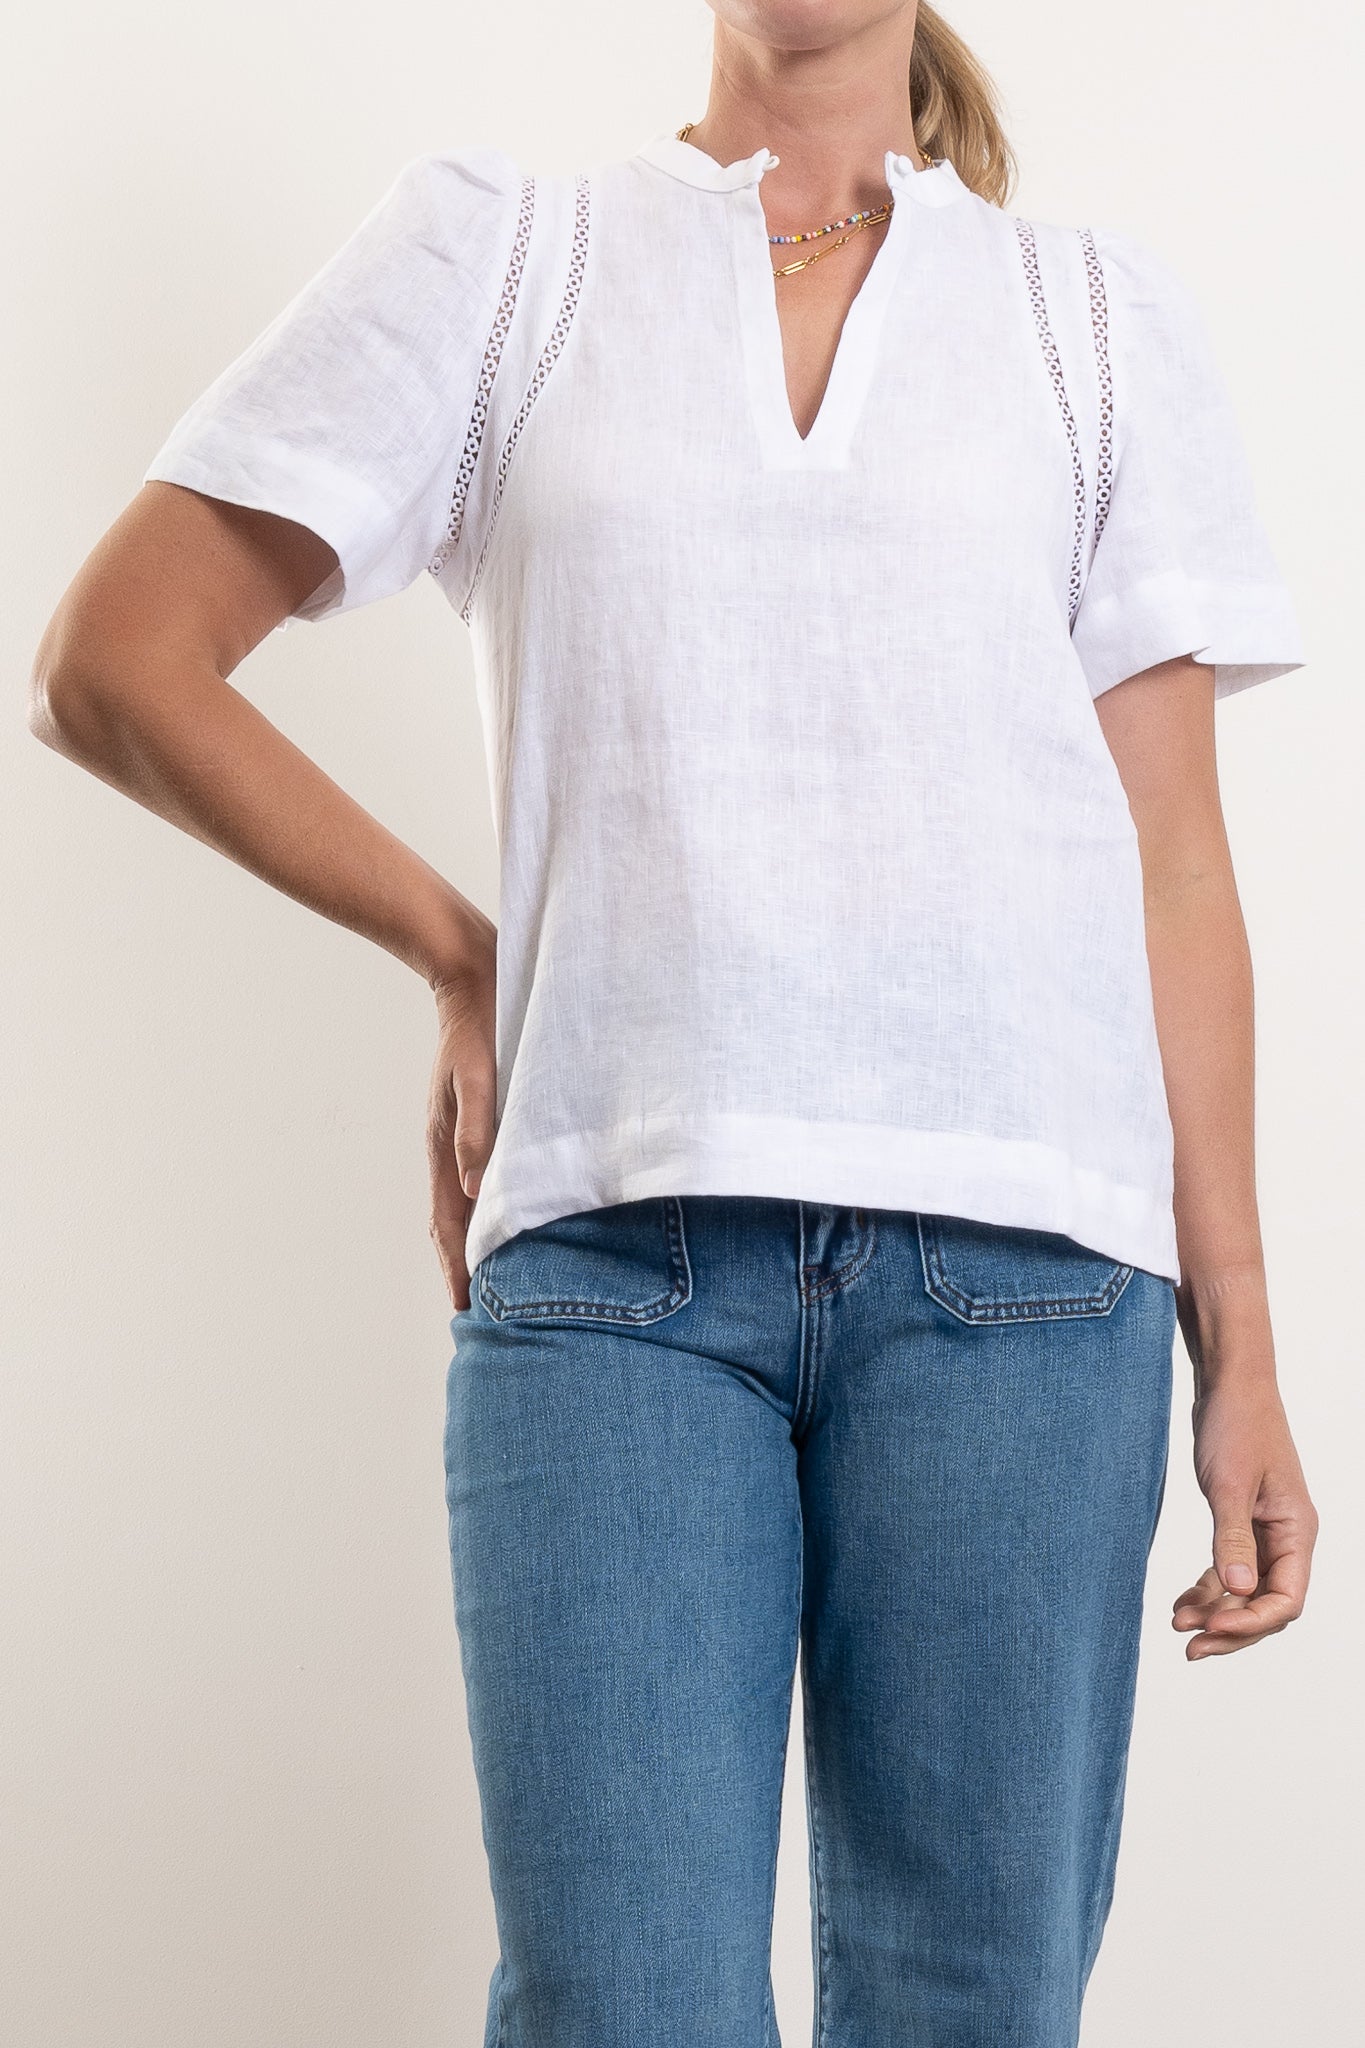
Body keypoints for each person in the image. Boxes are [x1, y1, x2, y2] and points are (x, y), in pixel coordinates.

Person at [28, 3, 1318, 2042]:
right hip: (611, 1287)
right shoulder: (505, 261)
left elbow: (1172, 860)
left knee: (972, 2006)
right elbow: (116, 661)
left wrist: (1239, 1348)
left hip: (1026, 1289)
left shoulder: (1086, 320)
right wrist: (462, 953)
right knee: (618, 2007)